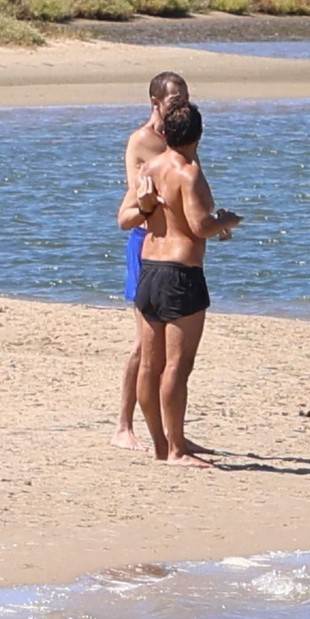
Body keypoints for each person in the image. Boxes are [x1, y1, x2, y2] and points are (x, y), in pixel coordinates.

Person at [118, 103, 242, 468]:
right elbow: (199, 225)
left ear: (166, 134)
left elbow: (124, 218)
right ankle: (175, 449)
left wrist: (146, 208)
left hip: (149, 270)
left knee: (149, 364)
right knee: (176, 367)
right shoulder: (189, 172)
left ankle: (161, 444)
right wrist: (227, 221)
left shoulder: (149, 169)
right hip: (180, 275)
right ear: (198, 136)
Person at [112, 72, 190, 453]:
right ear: (156, 103)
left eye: (185, 97)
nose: (182, 104)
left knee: (169, 350)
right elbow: (137, 196)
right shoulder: (142, 140)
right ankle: (124, 425)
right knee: (144, 345)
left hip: (173, 245)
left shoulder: (180, 137)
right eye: (175, 99)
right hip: (145, 243)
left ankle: (171, 431)